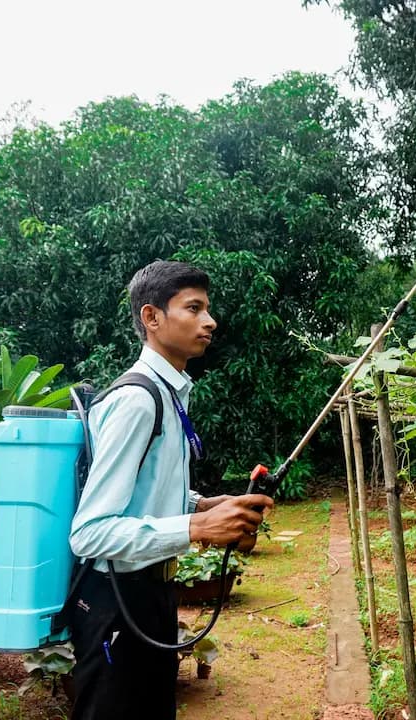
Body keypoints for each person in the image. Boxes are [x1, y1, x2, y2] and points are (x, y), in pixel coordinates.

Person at [68, 260, 273, 720]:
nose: (210, 321)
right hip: (113, 600)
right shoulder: (138, 400)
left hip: (153, 594)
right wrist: (199, 525)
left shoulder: (169, 394)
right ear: (152, 318)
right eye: (194, 308)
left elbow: (143, 493)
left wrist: (203, 504)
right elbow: (90, 533)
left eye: (208, 309)